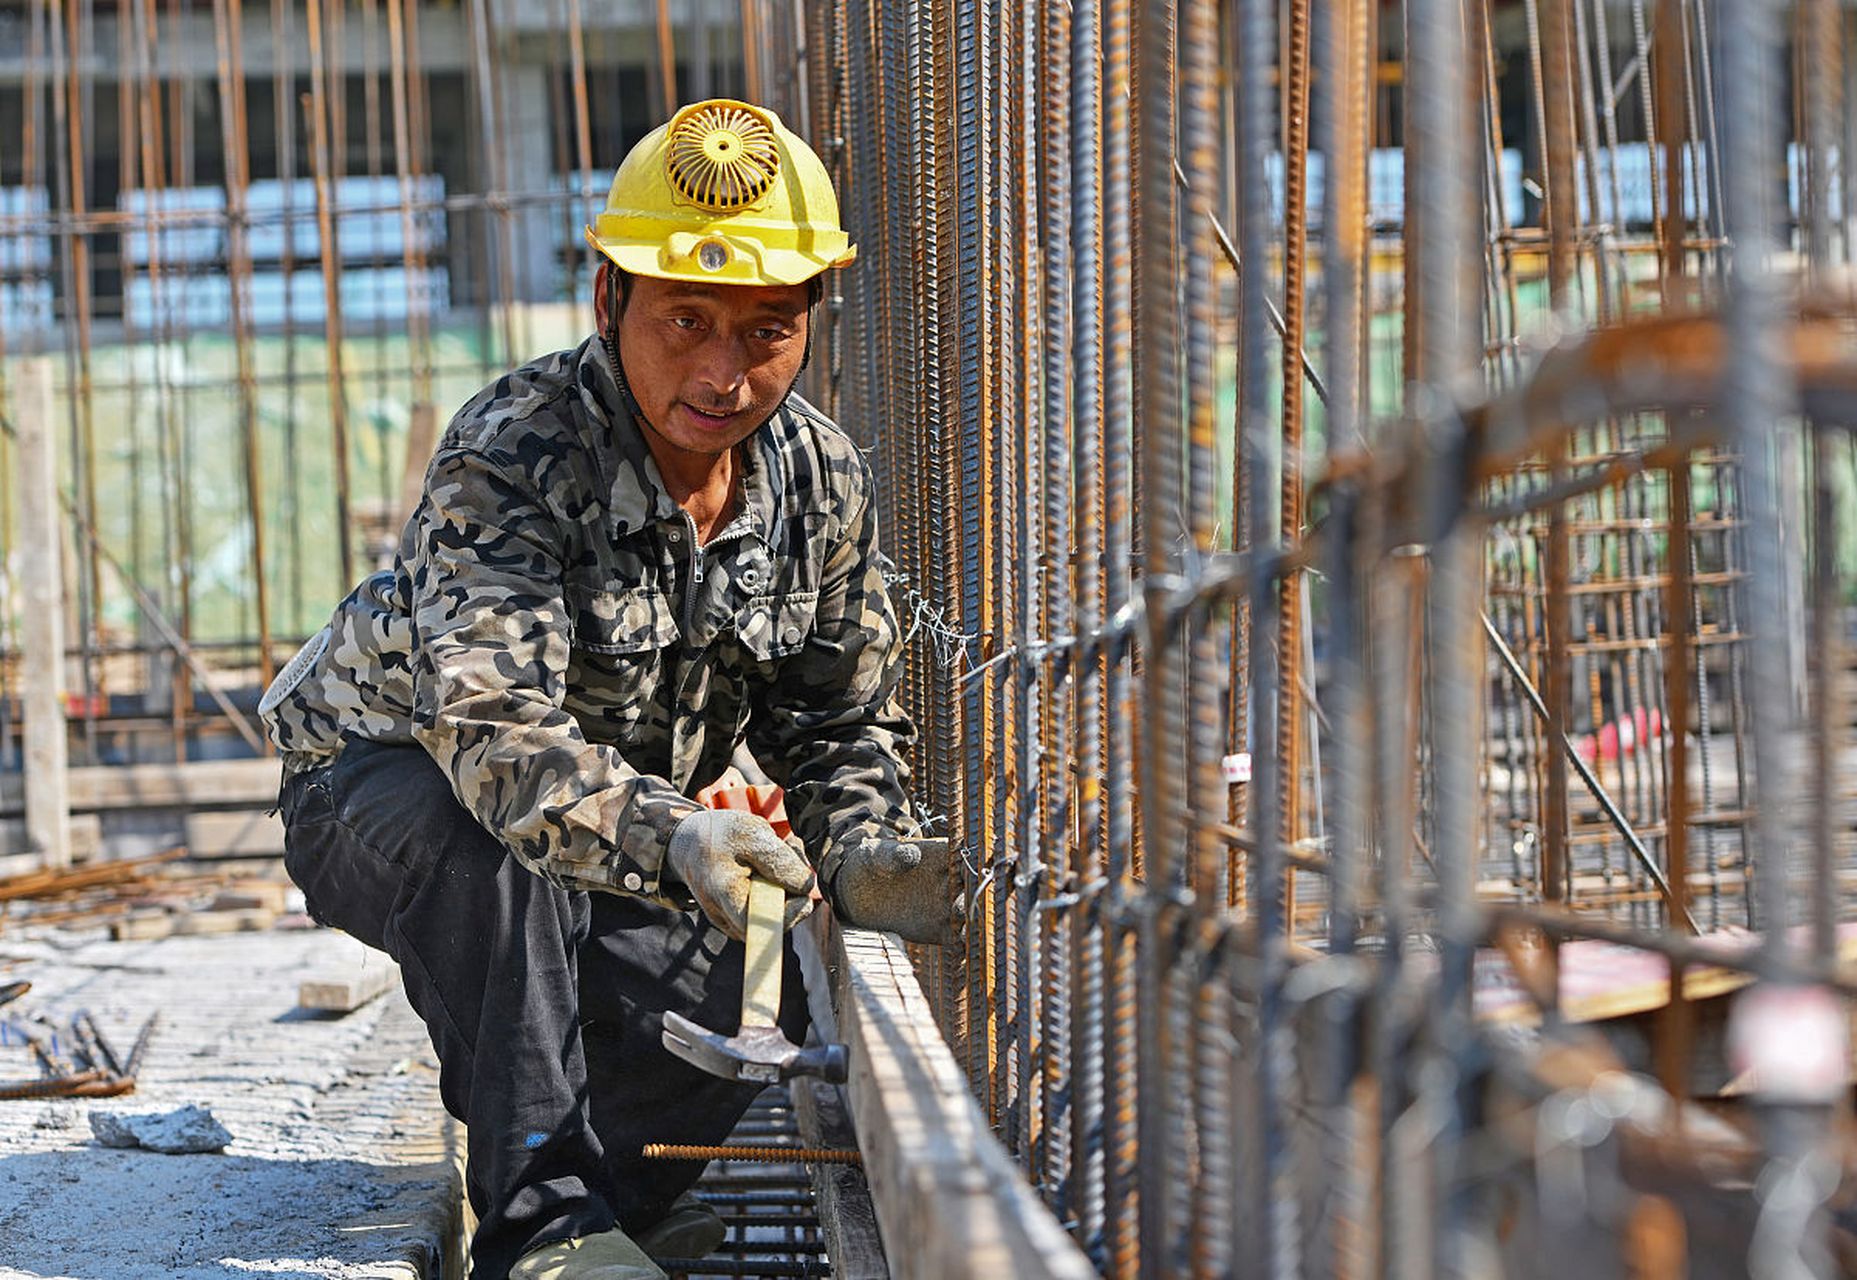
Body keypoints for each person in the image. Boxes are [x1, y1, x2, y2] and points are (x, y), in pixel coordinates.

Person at [259, 98, 957, 1280]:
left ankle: (627, 1196)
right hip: (384, 787)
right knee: (500, 863)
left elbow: (833, 718)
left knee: (748, 986)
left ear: (809, 325)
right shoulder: (515, 452)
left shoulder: (818, 481)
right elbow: (498, 740)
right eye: (686, 318)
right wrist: (680, 832)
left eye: (766, 329)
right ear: (608, 301)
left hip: (622, 827)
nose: (723, 371)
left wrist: (866, 851)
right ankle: (545, 1228)